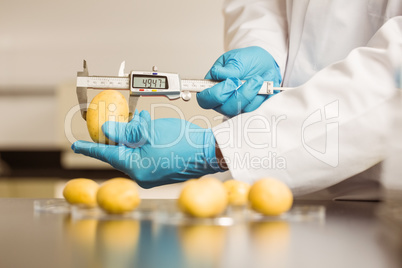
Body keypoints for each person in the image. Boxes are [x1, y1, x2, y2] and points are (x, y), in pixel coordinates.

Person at [72, 0, 402, 199]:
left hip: (384, 204)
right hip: (276, 202)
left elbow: (394, 80)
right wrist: (266, 49)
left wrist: (218, 148)